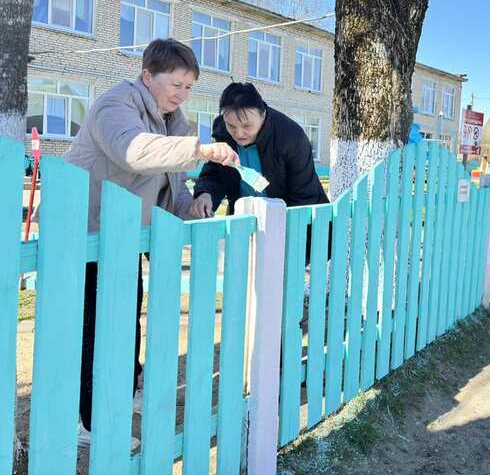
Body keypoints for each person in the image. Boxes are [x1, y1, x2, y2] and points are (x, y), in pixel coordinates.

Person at [64, 38, 239, 448]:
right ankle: (89, 422)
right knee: (94, 329)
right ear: (147, 76)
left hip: (125, 238)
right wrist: (199, 149)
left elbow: (169, 187)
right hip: (86, 235)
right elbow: (135, 152)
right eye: (176, 84)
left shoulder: (170, 121)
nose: (183, 94)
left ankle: (124, 394)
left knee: (126, 322)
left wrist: (193, 205)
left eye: (189, 87)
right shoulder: (116, 104)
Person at [191, 82, 329, 219]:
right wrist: (206, 195)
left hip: (295, 220)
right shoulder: (223, 133)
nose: (239, 133)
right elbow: (214, 175)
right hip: (245, 220)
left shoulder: (291, 137)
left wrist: (286, 228)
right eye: (231, 125)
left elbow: (304, 197)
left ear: (263, 115)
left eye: (247, 126)